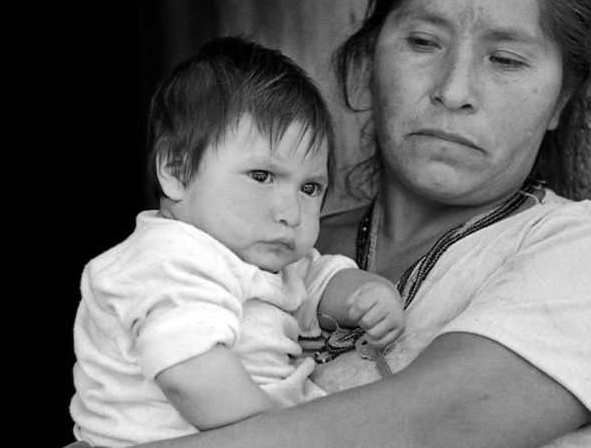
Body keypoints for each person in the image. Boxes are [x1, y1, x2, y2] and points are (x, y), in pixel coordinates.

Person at [120, 0, 591, 448]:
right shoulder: (263, 251)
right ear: (367, 62)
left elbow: (422, 429)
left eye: (505, 60)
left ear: (559, 103)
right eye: (424, 42)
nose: (453, 91)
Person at [68, 36, 406, 447]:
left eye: (311, 187)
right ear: (175, 171)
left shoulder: (264, 261)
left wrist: (369, 293)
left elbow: (318, 282)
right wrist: (283, 434)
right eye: (261, 176)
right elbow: (190, 375)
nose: (291, 212)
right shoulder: (168, 260)